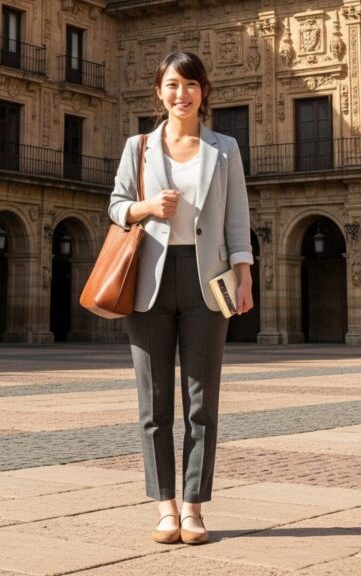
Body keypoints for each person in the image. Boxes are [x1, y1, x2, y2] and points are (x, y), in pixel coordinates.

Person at [108, 49, 253, 546]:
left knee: (201, 402)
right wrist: (147, 207)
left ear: (203, 92)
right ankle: (164, 506)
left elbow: (237, 217)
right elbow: (116, 205)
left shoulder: (225, 149)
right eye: (172, 84)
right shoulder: (139, 147)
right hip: (148, 278)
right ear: (159, 92)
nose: (181, 93)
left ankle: (193, 508)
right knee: (154, 403)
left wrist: (244, 274)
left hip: (206, 280)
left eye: (190, 84)